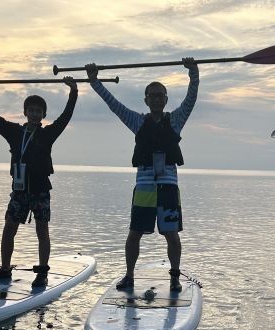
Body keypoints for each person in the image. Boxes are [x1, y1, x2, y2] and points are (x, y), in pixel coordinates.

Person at [85, 58, 199, 292]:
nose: (156, 99)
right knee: (134, 234)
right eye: (152, 95)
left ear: (166, 100)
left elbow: (191, 99)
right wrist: (94, 81)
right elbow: (114, 105)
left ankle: (174, 277)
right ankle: (129, 275)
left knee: (171, 235)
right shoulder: (137, 121)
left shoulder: (175, 120)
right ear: (146, 100)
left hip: (167, 187)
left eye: (160, 95)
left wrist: (193, 72)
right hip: (145, 187)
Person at [0, 75, 78, 288]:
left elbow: (66, 117)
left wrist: (73, 92)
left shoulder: (48, 134)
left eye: (39, 111)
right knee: (9, 228)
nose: (35, 114)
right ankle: (4, 269)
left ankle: (42, 272)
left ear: (44, 115)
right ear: (25, 112)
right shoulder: (14, 132)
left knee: (42, 230)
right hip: (19, 191)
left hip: (40, 191)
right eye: (31, 110)